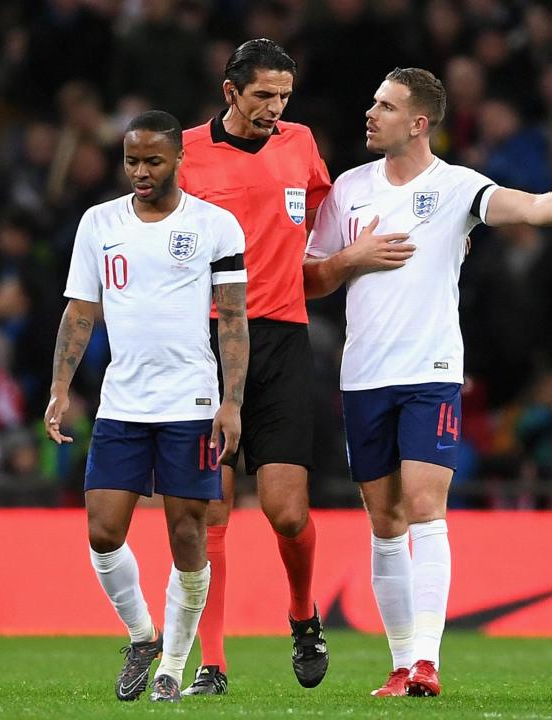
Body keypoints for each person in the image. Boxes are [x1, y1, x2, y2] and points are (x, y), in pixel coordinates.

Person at [303, 67, 552, 698]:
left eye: (384, 106)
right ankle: (398, 662)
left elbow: (534, 206)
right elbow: (310, 277)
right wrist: (351, 259)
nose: (370, 113)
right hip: (362, 375)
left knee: (423, 506)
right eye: (372, 102)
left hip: (430, 372)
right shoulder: (348, 190)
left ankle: (427, 663)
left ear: (419, 122)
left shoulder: (456, 187)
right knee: (383, 521)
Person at [43, 110, 248, 703]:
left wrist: (231, 402)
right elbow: (81, 310)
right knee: (103, 531)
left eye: (153, 161)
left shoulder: (216, 226)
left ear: (180, 159)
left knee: (188, 533)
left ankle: (172, 669)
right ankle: (142, 636)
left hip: (191, 402)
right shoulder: (98, 224)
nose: (140, 171)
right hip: (122, 403)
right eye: (132, 160)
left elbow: (233, 320)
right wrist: (61, 385)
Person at [176, 38, 332, 694]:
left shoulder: (301, 145)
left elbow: (319, 224)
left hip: (281, 339)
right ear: (230, 92)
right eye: (263, 94)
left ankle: (302, 613)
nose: (275, 107)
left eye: (284, 96)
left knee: (287, 511)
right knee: (210, 510)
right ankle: (213, 663)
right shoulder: (181, 153)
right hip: (202, 342)